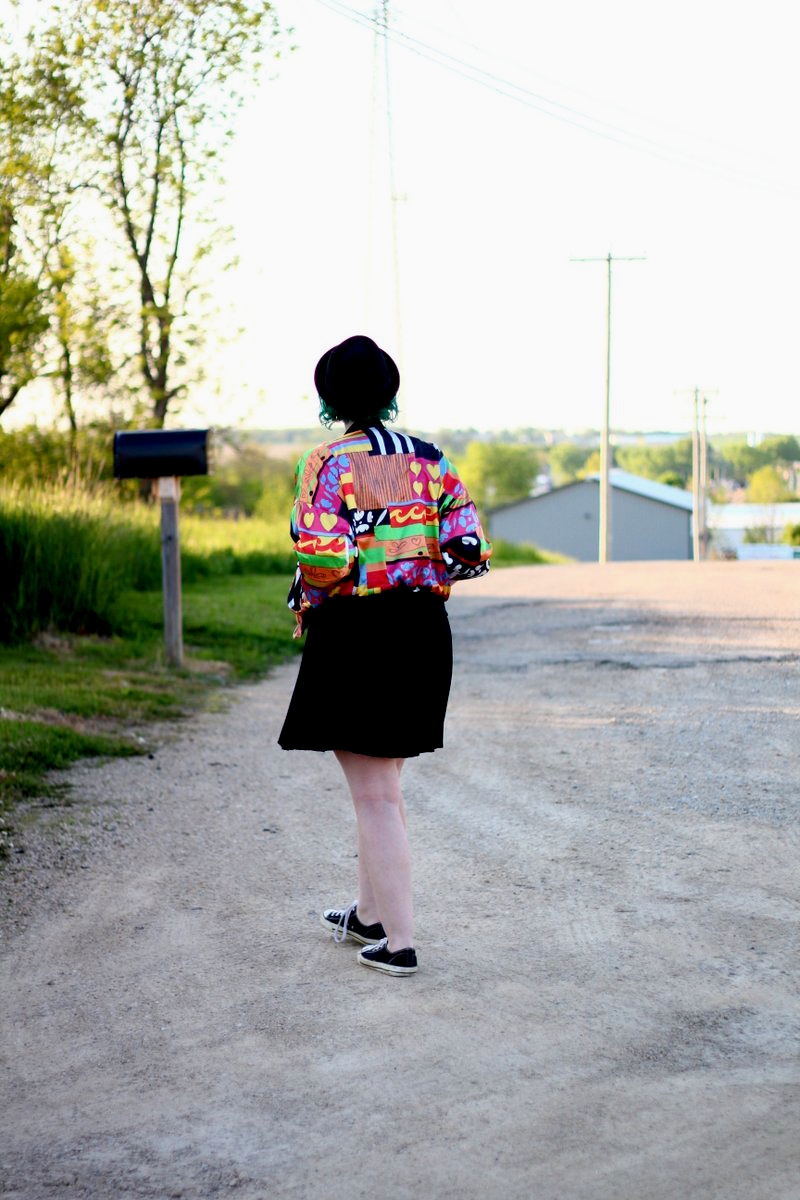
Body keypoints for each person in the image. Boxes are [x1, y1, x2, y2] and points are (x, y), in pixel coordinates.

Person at [278, 335, 491, 976]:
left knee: (373, 796)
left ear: (328, 396)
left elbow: (323, 555)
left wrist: (341, 575)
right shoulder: (431, 460)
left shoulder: (328, 463)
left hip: (357, 633)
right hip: (423, 628)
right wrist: (412, 556)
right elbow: (470, 550)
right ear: (391, 392)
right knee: (384, 786)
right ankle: (369, 915)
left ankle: (399, 943)